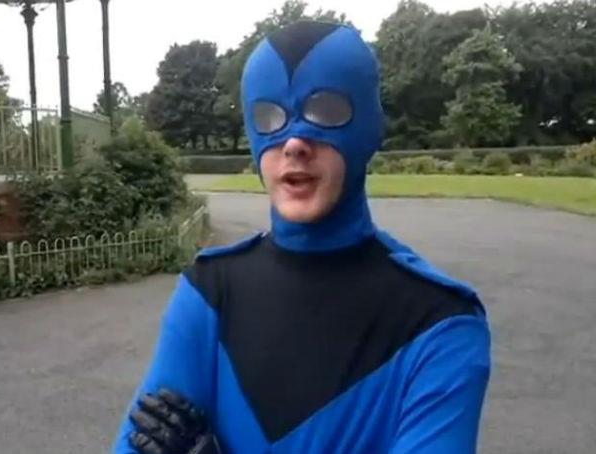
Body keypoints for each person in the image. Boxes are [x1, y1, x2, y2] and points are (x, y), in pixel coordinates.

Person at [112, 20, 491, 454]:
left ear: (369, 128)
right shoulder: (210, 290)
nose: (293, 143)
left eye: (325, 111)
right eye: (270, 117)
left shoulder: (439, 321)